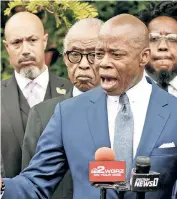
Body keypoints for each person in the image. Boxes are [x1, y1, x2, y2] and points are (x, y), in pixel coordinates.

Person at [1, 14, 177, 199]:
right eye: (99, 54)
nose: (102, 64)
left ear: (144, 56)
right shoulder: (68, 113)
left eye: (116, 55)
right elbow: (34, 183)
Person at [21, 18, 102, 199]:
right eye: (75, 54)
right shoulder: (43, 114)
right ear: (65, 58)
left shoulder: (122, 110)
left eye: (93, 55)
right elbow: (30, 185)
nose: (83, 64)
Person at [1, 11, 72, 178]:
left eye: (32, 40)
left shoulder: (72, 92)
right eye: (17, 42)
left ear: (45, 41)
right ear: (7, 47)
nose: (25, 50)